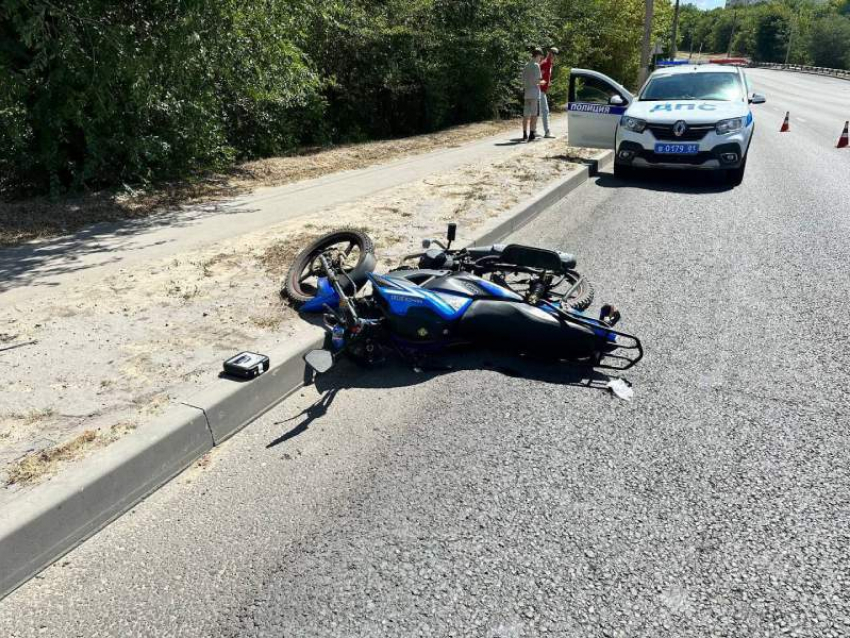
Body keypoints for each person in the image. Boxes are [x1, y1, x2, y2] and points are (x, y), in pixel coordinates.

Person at [521, 48, 545, 141]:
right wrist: (543, 82)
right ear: (538, 55)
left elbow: (522, 79)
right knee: (534, 114)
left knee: (526, 114)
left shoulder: (526, 65)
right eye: (540, 57)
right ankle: (532, 134)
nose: (540, 59)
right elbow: (537, 81)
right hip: (534, 93)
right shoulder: (536, 65)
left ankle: (524, 134)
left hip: (527, 93)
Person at [539, 47, 559, 138]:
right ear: (549, 53)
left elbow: (544, 77)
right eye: (553, 53)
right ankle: (547, 132)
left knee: (538, 111)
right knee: (545, 111)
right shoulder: (545, 63)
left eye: (555, 54)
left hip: (542, 89)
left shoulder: (549, 63)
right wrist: (543, 84)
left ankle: (534, 130)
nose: (554, 56)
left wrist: (548, 83)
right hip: (540, 90)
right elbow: (538, 77)